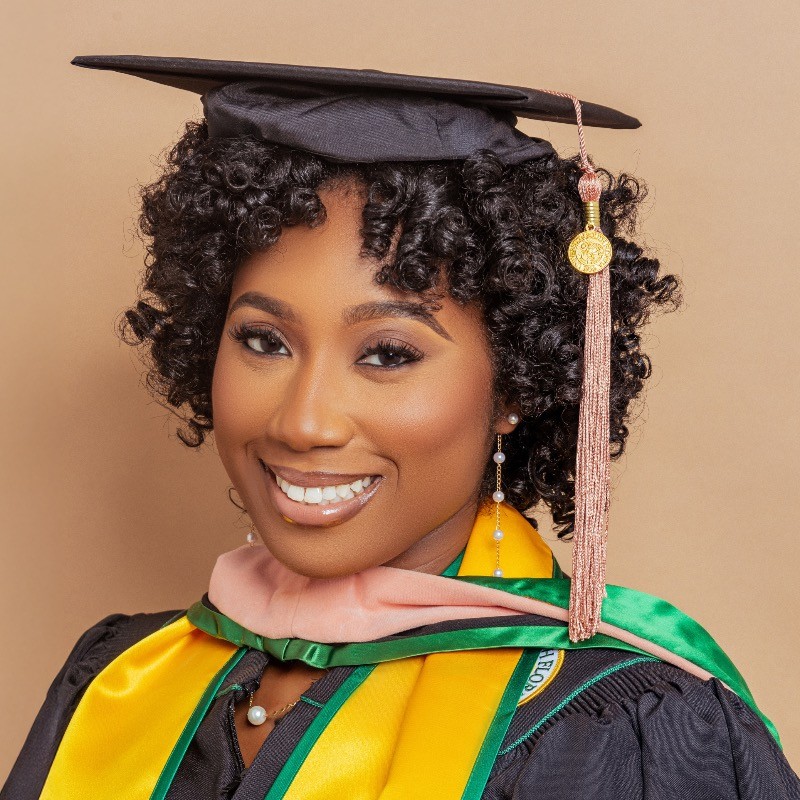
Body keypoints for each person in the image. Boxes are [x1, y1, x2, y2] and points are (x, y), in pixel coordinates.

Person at [2, 55, 799, 800]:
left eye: (386, 352)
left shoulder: (629, 728)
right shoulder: (117, 678)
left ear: (516, 383)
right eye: (263, 341)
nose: (304, 421)